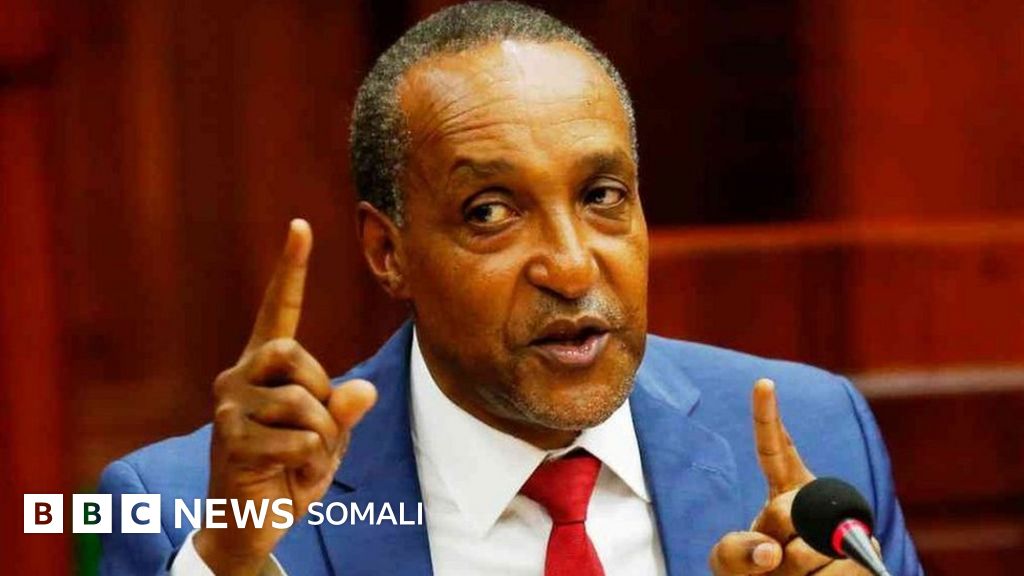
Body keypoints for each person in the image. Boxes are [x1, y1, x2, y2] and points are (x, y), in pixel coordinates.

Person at [99, 2, 922, 575]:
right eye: (490, 212)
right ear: (388, 253)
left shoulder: (822, 439)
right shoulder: (188, 516)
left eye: (603, 196)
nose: (570, 267)